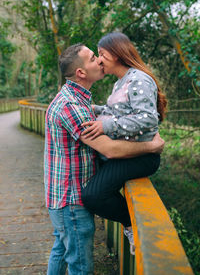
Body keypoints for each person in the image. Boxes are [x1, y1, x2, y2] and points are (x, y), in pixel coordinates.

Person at [44, 42, 165, 275]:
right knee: (80, 267)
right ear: (80, 72)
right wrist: (152, 146)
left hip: (62, 196)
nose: (99, 61)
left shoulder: (76, 99)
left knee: (61, 250)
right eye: (93, 58)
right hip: (71, 200)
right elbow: (109, 150)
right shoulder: (71, 105)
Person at [81, 32, 167, 255]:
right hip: (125, 155)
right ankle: (129, 223)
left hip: (141, 157)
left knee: (93, 196)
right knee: (93, 192)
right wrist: (93, 110)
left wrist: (106, 126)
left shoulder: (138, 79)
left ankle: (132, 224)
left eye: (101, 54)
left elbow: (148, 118)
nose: (99, 60)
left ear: (117, 53)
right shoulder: (121, 82)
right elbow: (114, 112)